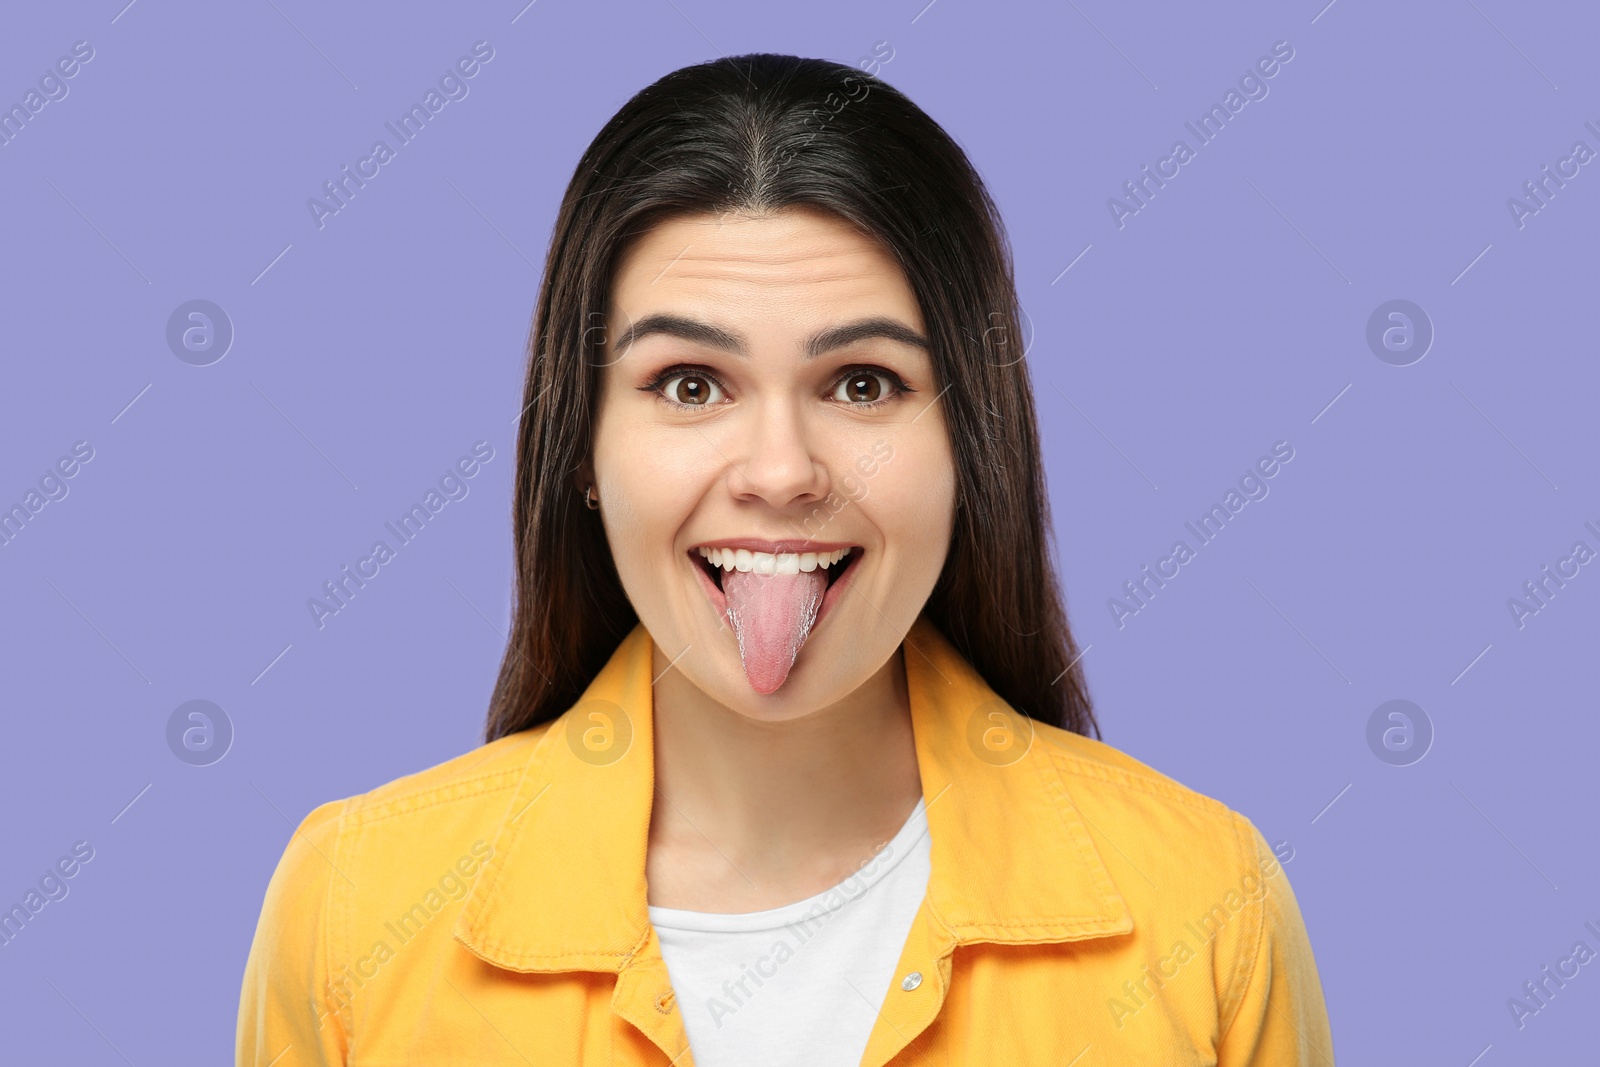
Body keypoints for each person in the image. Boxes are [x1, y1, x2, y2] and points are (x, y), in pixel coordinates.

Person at [237, 52, 1334, 1066]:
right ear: (581, 443)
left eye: (863, 383)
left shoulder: (1205, 905)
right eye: (689, 383)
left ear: (970, 441)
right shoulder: (352, 908)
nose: (779, 470)